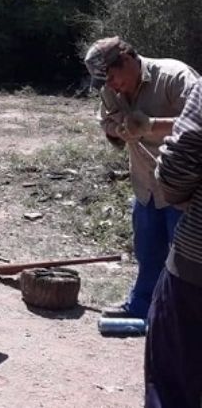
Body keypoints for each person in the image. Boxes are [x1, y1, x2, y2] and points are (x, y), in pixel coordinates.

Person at [84, 36, 198, 318]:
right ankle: (141, 307)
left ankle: (181, 317)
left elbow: (198, 123)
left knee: (184, 261)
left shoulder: (174, 77)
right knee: (147, 253)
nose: (111, 85)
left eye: (112, 76)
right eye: (105, 82)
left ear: (127, 59)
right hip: (146, 185)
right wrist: (116, 128)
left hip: (183, 188)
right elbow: (107, 119)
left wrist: (150, 125)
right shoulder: (111, 90)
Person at [149, 79, 202, 408]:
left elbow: (177, 166)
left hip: (196, 271)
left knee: (172, 387)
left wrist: (184, 198)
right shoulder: (110, 93)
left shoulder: (174, 77)